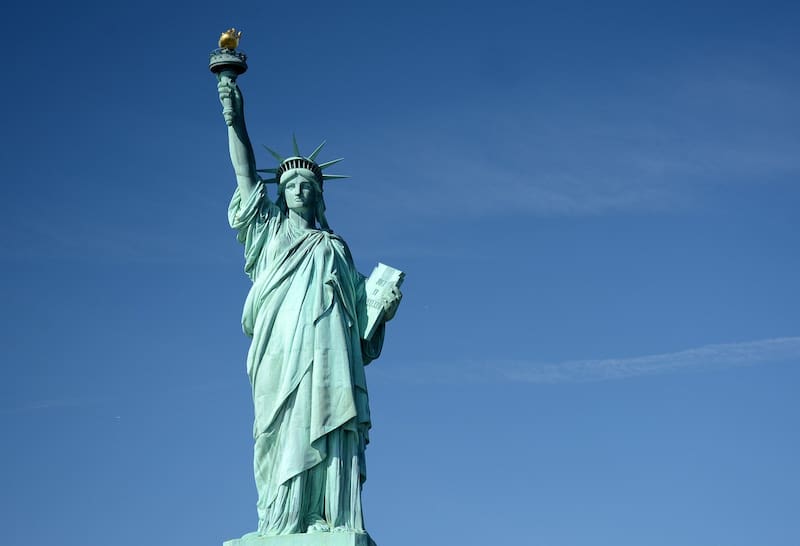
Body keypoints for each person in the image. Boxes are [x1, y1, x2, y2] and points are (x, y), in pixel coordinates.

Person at [217, 78, 401, 537]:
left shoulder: (336, 247)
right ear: (280, 194)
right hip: (281, 351)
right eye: (290, 184)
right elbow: (244, 173)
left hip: (330, 352)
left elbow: (362, 324)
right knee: (280, 429)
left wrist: (383, 307)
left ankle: (327, 515)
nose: (299, 190)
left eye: (307, 184)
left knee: (329, 418)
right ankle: (281, 521)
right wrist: (234, 116)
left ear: (320, 195)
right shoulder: (269, 233)